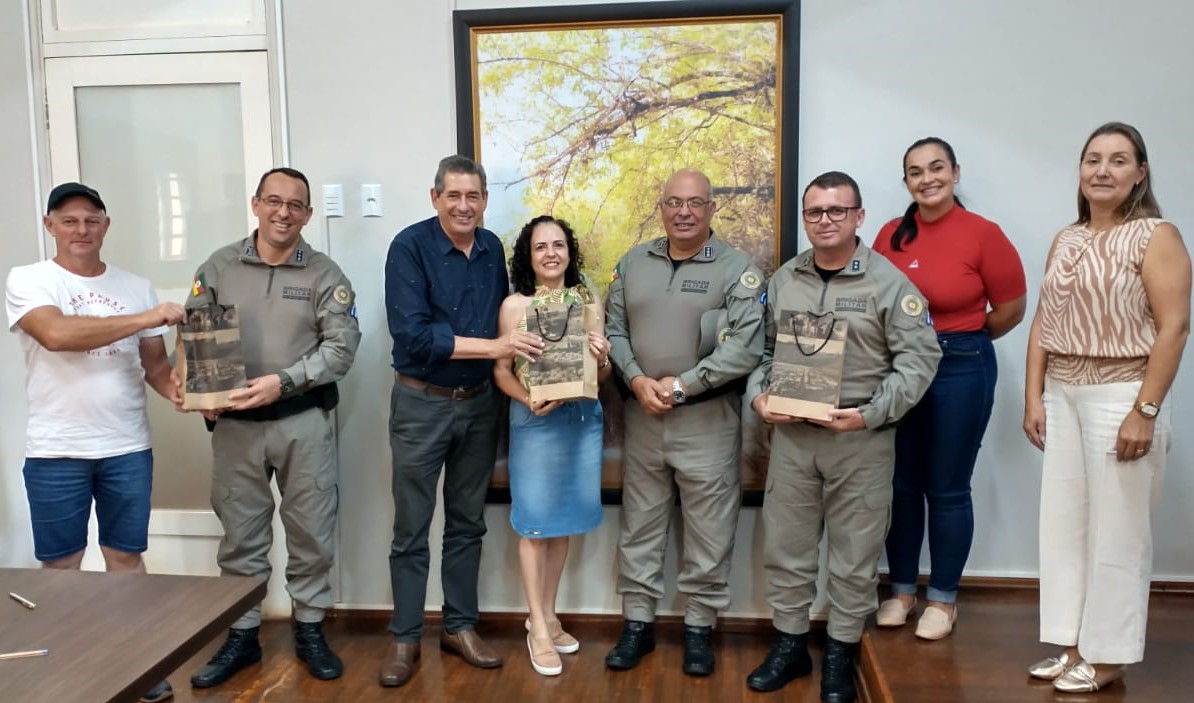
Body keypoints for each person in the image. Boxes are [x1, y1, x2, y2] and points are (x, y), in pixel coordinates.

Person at [745, 171, 940, 702]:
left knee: (854, 555)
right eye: (815, 212)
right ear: (805, 219)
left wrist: (871, 414)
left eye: (837, 210)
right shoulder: (785, 279)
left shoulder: (888, 283)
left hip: (860, 438)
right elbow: (764, 352)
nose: (825, 220)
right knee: (786, 548)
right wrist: (760, 397)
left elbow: (920, 361)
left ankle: (840, 653)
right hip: (794, 439)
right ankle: (790, 647)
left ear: (859, 216)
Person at [1022, 122, 1189, 693]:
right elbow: (1044, 320)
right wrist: (1034, 395)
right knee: (1064, 525)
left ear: (1140, 173)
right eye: (1092, 159)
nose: (1102, 170)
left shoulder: (1156, 236)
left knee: (1118, 531)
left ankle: (1109, 655)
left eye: (1118, 160)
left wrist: (1145, 410)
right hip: (1063, 391)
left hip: (1122, 392)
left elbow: (1174, 327)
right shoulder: (1067, 238)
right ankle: (1072, 644)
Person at [5, 182, 185, 703]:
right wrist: (149, 317)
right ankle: (69, 665)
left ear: (106, 225)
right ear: (50, 226)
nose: (81, 230)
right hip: (56, 450)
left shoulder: (136, 286)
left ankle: (138, 664)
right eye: (69, 220)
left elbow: (156, 367)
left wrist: (189, 395)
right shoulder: (29, 279)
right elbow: (57, 335)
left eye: (91, 220)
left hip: (127, 446)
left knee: (125, 559)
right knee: (62, 567)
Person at [185, 167, 361, 689]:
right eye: (274, 201)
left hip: (302, 421)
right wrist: (203, 392)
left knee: (311, 532)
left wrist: (282, 383)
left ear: (308, 214)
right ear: (256, 203)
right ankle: (242, 635)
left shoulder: (326, 275)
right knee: (240, 535)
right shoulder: (218, 267)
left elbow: (341, 350)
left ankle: (310, 628)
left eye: (295, 205)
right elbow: (196, 335)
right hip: (236, 427)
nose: (284, 212)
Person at [380, 155, 545, 688]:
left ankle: (459, 626)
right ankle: (405, 637)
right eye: (453, 195)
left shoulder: (492, 248)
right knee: (411, 527)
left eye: (473, 196)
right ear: (435, 198)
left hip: (479, 404)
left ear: (485, 200)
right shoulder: (408, 247)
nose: (463, 205)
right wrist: (496, 347)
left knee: (468, 522)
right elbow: (414, 336)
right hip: (421, 404)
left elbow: (512, 316)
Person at [603, 168, 764, 677]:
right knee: (639, 527)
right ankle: (637, 625)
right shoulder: (633, 262)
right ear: (662, 208)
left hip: (707, 420)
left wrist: (682, 386)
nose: (685, 212)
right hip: (643, 416)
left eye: (696, 202)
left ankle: (698, 629)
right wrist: (635, 380)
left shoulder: (738, 270)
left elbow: (746, 348)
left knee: (710, 531)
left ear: (712, 208)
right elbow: (613, 330)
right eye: (674, 202)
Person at [871, 138, 1026, 639]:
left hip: (961, 366)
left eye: (937, 168)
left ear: (956, 173)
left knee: (948, 487)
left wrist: (958, 338)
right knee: (901, 485)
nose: (927, 179)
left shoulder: (983, 234)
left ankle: (942, 599)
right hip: (898, 368)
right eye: (915, 172)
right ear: (906, 182)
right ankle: (901, 592)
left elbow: (1010, 311)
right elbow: (872, 302)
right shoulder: (890, 235)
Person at [492, 215, 613, 676]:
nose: (550, 253)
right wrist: (528, 400)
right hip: (535, 421)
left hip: (581, 422)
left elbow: (601, 375)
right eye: (540, 246)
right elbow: (501, 372)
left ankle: (547, 615)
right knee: (534, 525)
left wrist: (603, 357)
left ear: (569, 251)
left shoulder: (588, 300)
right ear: (528, 255)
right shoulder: (514, 306)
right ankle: (538, 629)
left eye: (558, 245)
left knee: (562, 524)